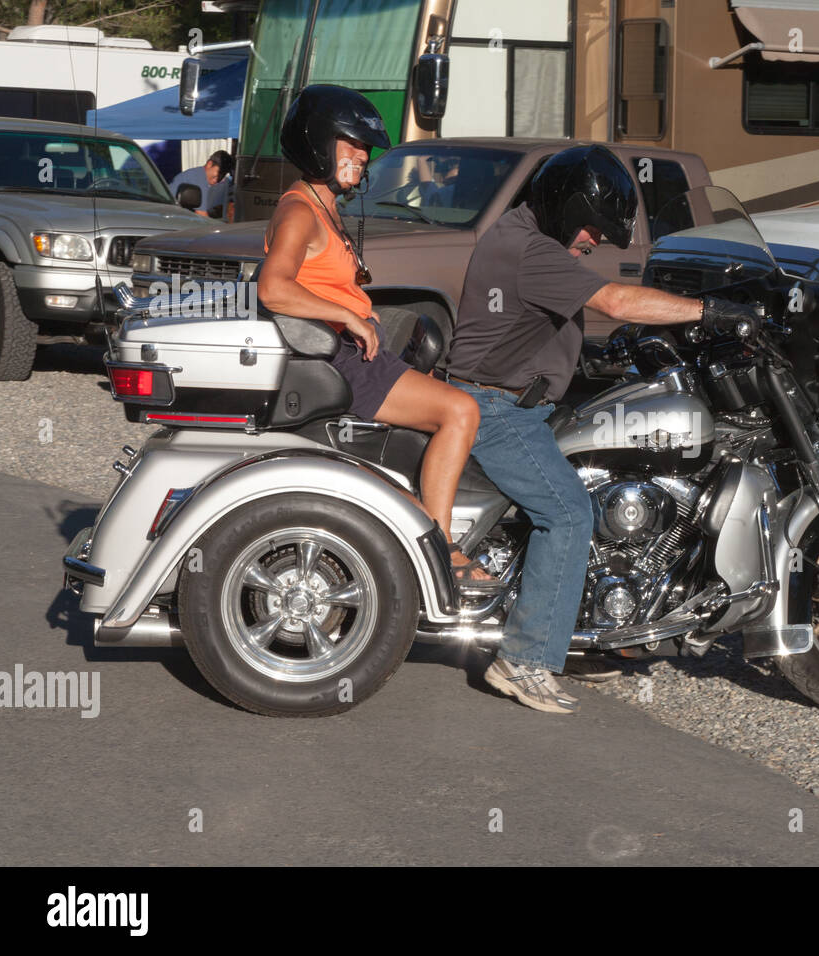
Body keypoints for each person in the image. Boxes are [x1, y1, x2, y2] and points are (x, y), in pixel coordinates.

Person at [445, 144, 758, 715]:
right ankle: (525, 659)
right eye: (591, 227)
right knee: (568, 514)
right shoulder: (527, 247)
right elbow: (615, 299)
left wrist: (600, 355)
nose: (594, 240)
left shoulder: (520, 235)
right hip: (496, 408)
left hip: (517, 400)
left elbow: (531, 326)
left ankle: (592, 626)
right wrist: (709, 312)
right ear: (565, 208)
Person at [257, 85, 493, 586]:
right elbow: (274, 288)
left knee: (457, 399)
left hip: (353, 354)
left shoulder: (321, 208)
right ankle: (441, 550)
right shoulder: (300, 210)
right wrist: (348, 317)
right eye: (353, 144)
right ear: (319, 144)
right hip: (341, 361)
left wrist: (362, 314)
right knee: (461, 411)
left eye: (366, 148)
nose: (363, 157)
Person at [168, 149, 231, 217]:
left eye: (223, 175)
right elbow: (201, 214)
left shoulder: (200, 176)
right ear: (209, 164)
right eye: (218, 173)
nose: (219, 179)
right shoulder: (199, 177)